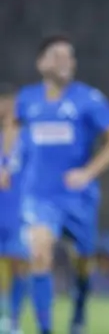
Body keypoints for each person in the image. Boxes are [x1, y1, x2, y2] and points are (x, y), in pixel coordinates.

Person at [0, 36, 109, 334]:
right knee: (39, 252)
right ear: (41, 63)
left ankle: (80, 307)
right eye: (57, 55)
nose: (65, 61)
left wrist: (88, 172)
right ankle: (45, 329)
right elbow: (13, 128)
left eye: (69, 56)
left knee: (83, 262)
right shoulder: (27, 99)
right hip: (39, 196)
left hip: (78, 198)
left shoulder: (88, 99)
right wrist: (8, 163)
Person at [0, 85, 27, 334]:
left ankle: (14, 319)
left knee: (19, 264)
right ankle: (3, 315)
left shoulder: (27, 138)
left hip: (20, 210)